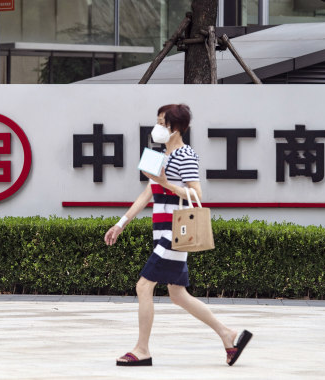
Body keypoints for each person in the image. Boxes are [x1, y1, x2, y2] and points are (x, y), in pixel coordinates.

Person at [104, 103, 252, 367]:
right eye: (158, 121)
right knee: (177, 294)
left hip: (175, 232)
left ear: (176, 127)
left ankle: (141, 350)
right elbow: (146, 194)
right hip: (162, 231)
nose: (158, 127)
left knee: (143, 286)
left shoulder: (186, 155)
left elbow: (196, 194)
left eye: (163, 123)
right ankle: (228, 335)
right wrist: (121, 223)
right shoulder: (156, 154)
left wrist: (166, 183)